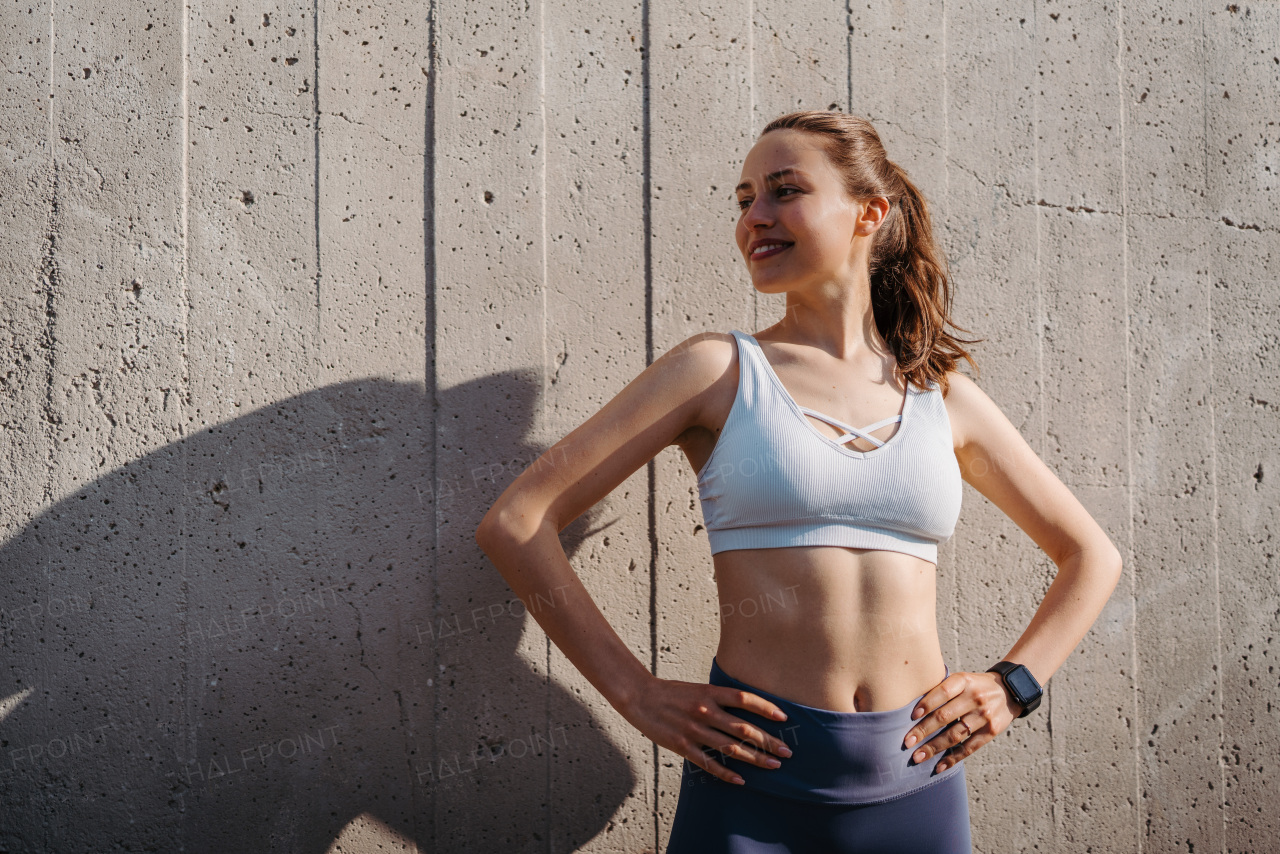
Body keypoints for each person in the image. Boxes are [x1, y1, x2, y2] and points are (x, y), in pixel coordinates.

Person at [475, 110, 1123, 853]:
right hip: (755, 786)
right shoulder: (717, 371)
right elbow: (518, 521)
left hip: (922, 774)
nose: (755, 217)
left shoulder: (942, 397)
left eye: (784, 191)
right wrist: (637, 692)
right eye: (744, 198)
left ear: (869, 214)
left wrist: (1013, 686)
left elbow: (1090, 556)